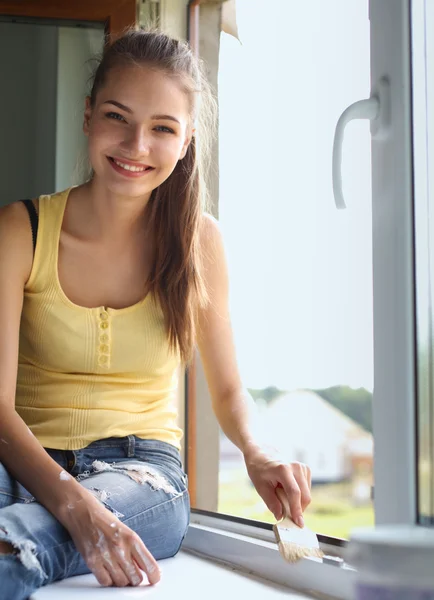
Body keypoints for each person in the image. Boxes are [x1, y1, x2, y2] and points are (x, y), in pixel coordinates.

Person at [0, 28, 312, 599]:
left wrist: (258, 453)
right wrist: (75, 504)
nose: (136, 145)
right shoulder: (20, 230)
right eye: (118, 117)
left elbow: (228, 390)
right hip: (22, 461)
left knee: (19, 543)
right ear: (89, 116)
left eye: (163, 128)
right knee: (47, 521)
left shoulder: (201, 243)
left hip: (140, 474)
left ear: (188, 139)